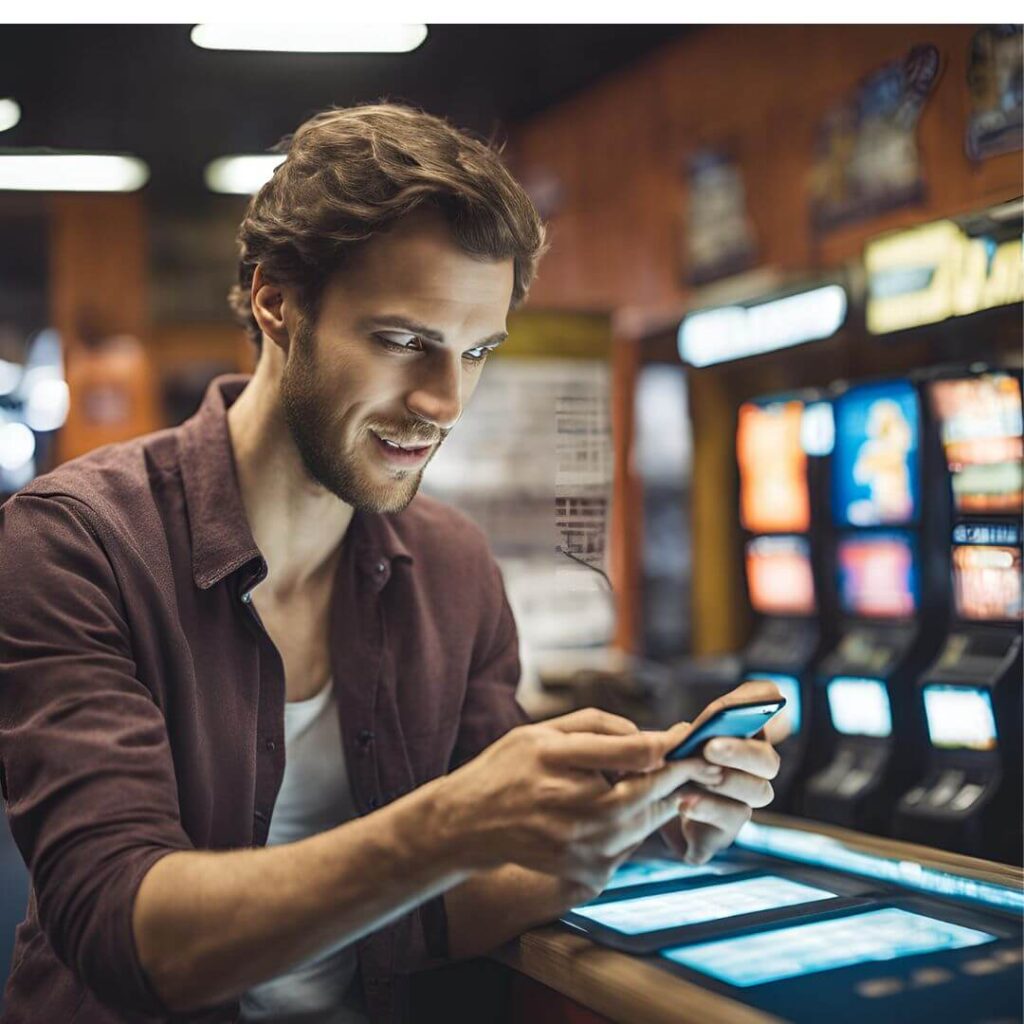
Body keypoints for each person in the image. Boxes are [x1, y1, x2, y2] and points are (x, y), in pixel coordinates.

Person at [0, 103, 780, 1024]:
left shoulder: (453, 568)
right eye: (405, 341)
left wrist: (628, 833)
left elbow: (450, 909)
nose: (446, 402)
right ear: (277, 301)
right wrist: (448, 824)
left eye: (476, 352)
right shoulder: (72, 542)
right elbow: (129, 939)